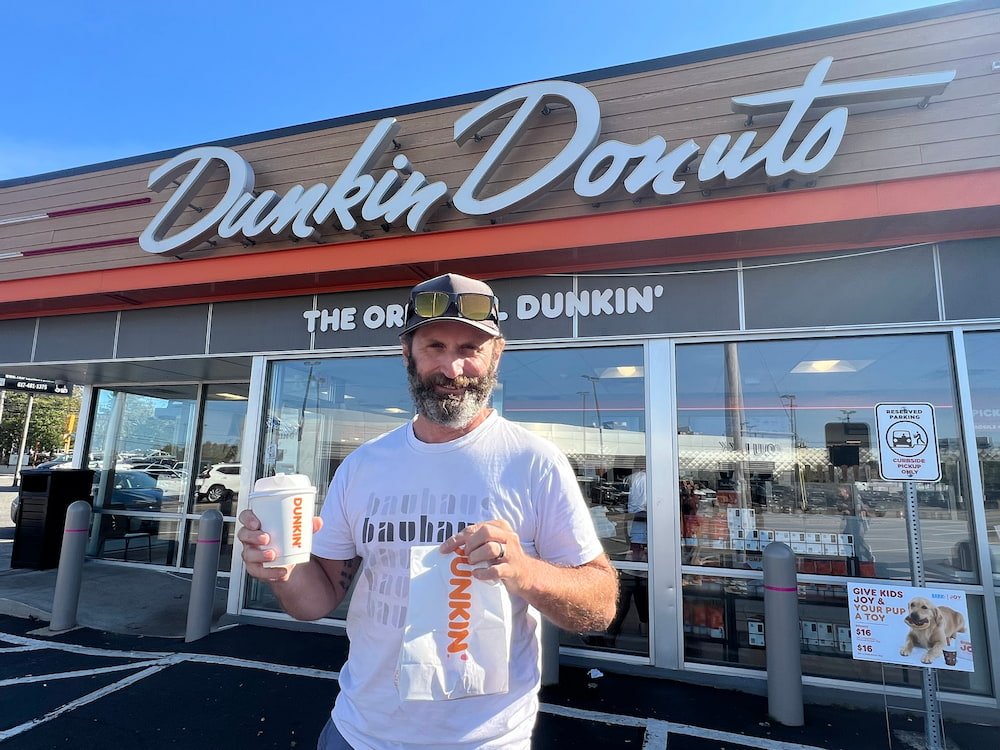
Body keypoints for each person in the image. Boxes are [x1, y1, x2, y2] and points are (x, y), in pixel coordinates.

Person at [238, 273, 618, 750]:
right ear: (407, 353)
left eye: (470, 348)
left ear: (496, 354)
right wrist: (282, 568)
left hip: (485, 742)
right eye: (434, 346)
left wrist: (525, 572)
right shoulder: (363, 465)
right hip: (358, 733)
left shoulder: (534, 462)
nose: (452, 368)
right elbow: (314, 603)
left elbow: (600, 607)